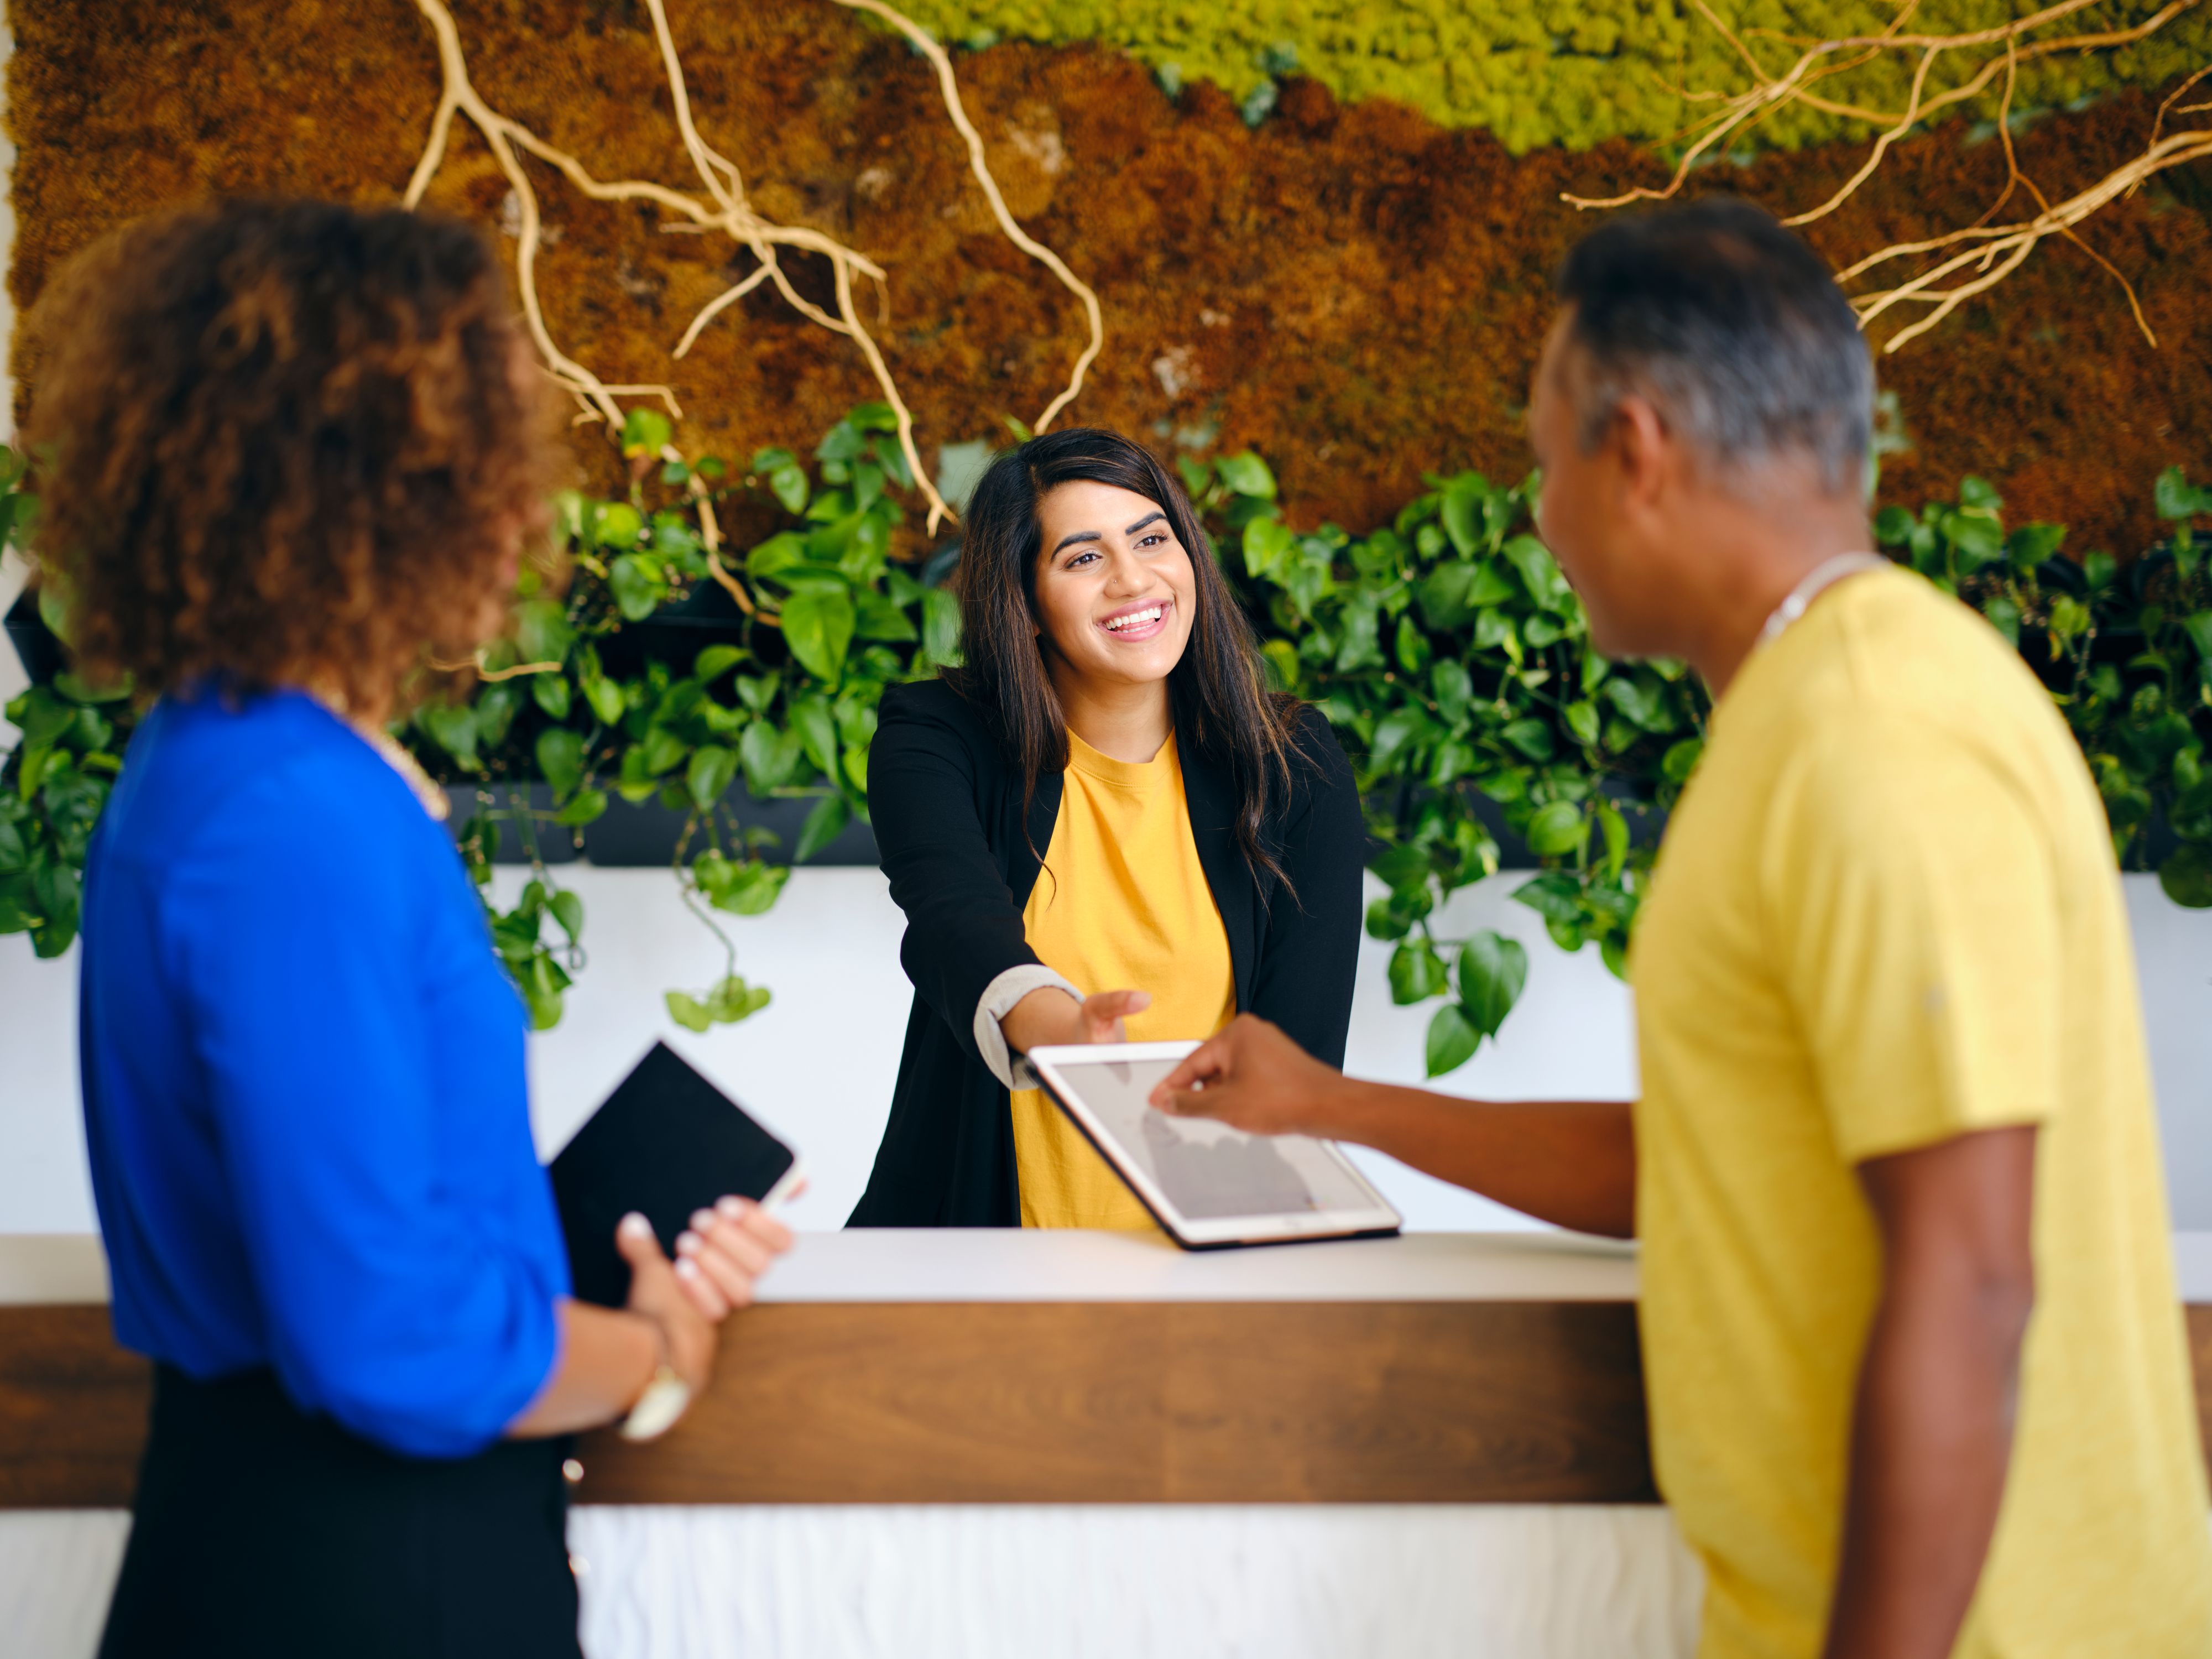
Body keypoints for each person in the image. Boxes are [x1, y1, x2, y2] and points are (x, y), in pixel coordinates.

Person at [1149, 197, 2212, 1658]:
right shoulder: (1809, 712)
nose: (1538, 517)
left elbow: (1969, 1278)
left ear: (1634, 450)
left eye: (1542, 463)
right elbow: (1715, 1161)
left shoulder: (1874, 738)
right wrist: (1330, 1104)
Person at [32, 200, 794, 1659]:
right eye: (488, 444)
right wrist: (658, 1348)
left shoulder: (215, 757)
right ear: (379, 484)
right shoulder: (294, 815)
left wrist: (578, 1265)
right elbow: (397, 1346)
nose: (524, 503)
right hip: (363, 1578)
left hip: (277, 1534)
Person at [849, 428, 1364, 1228]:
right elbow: (954, 922)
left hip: (1213, 1257)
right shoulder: (935, 739)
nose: (1133, 580)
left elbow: (1299, 1060)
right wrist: (1066, 1039)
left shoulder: (1295, 765)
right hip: (978, 1262)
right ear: (1022, 604)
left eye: (1153, 539)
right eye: (1083, 558)